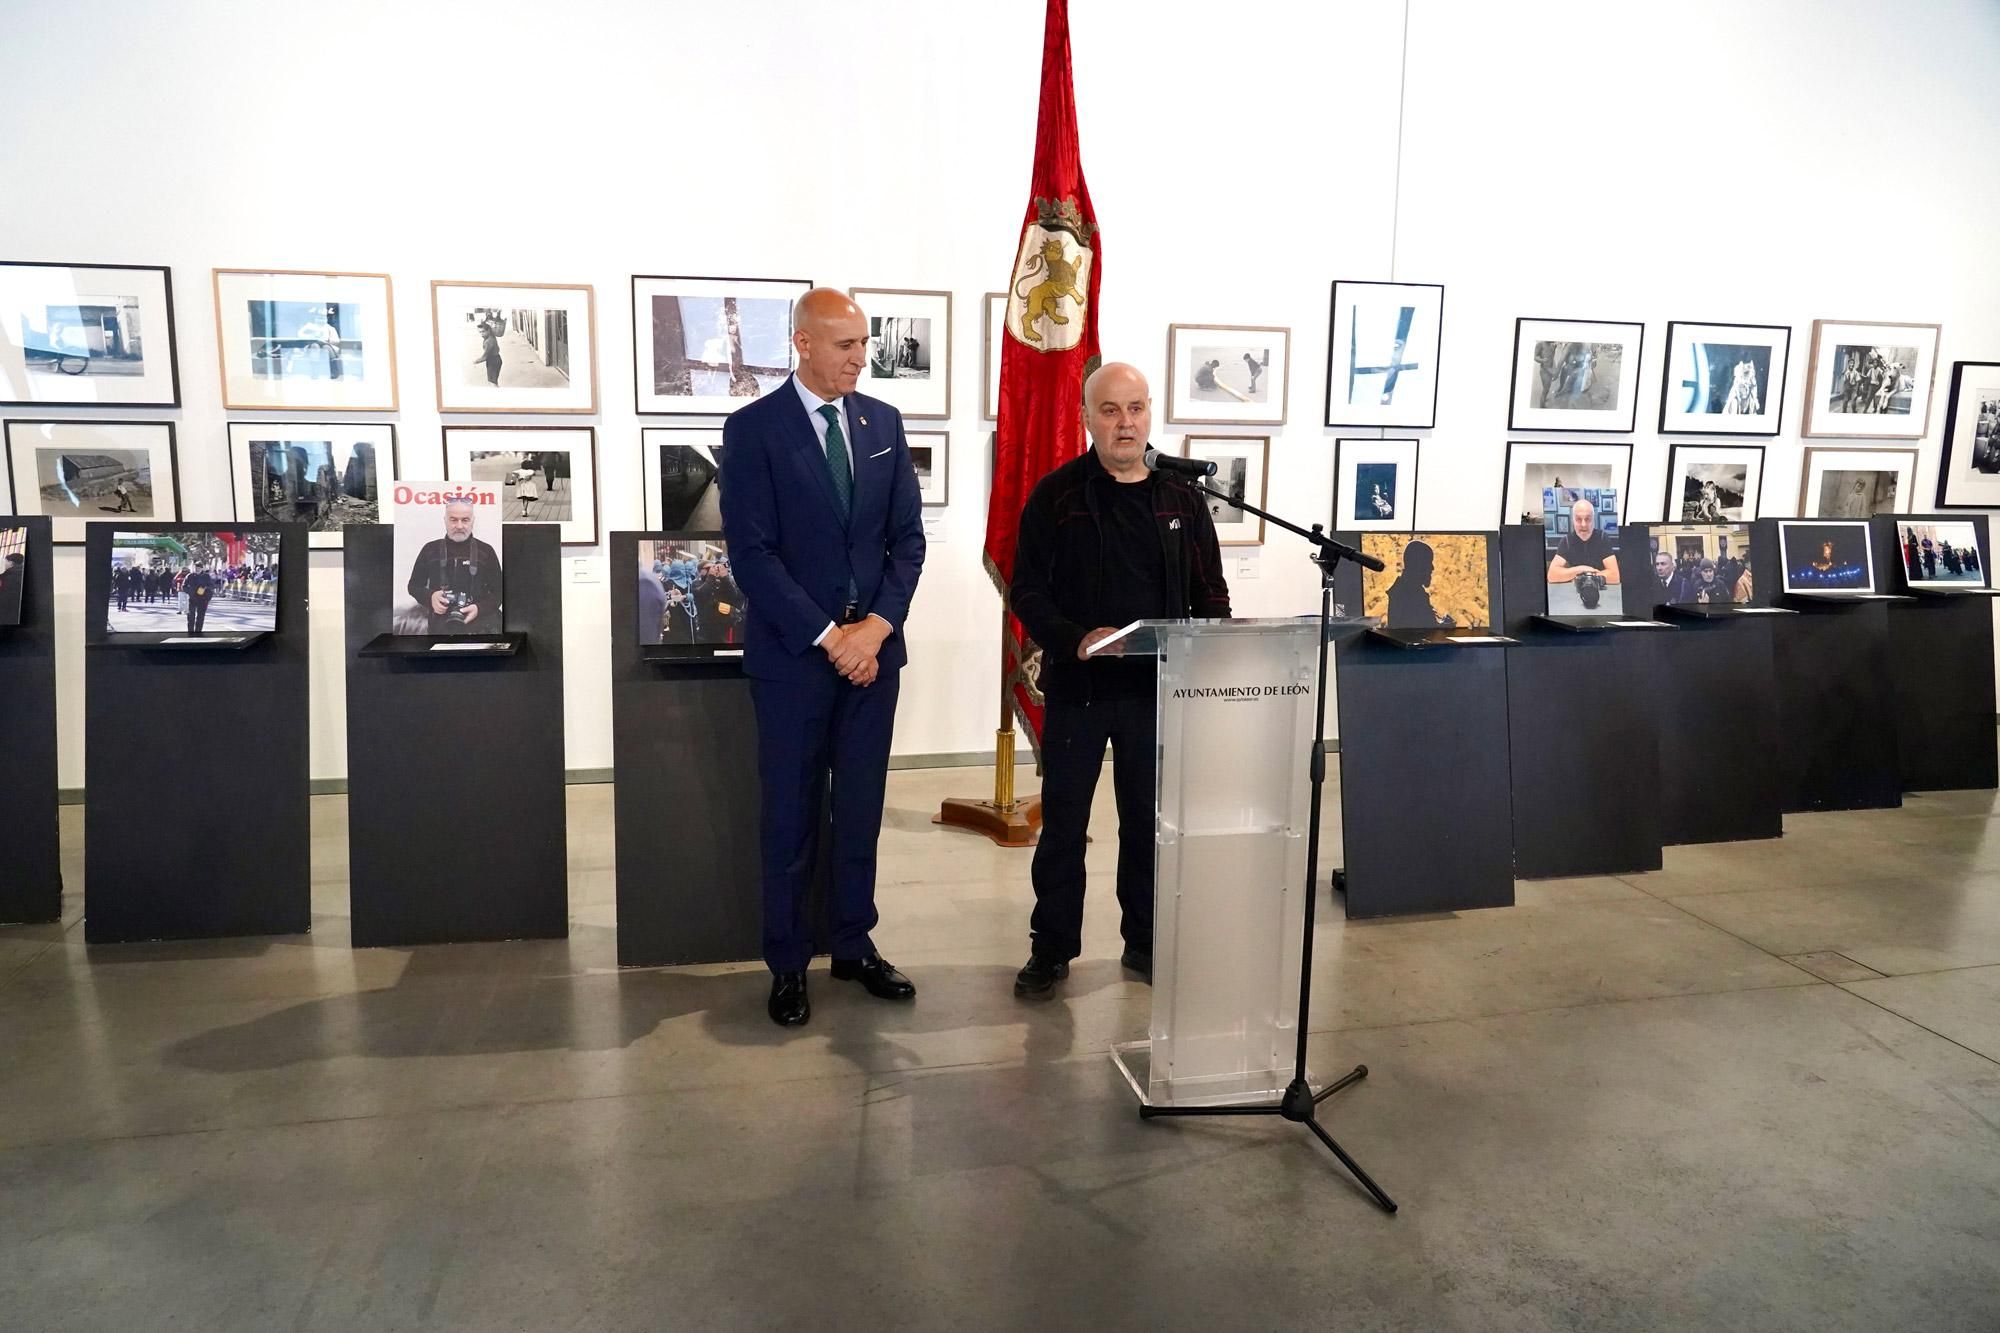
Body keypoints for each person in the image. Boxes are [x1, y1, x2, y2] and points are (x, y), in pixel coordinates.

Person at [718, 288, 926, 1029]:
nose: (859, 358)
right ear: (803, 344)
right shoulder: (753, 431)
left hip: (873, 658)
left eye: (864, 344)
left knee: (861, 809)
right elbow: (753, 555)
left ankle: (853, 943)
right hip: (794, 662)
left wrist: (873, 628)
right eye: (844, 345)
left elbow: (907, 542)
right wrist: (829, 636)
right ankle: (786, 962)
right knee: (792, 814)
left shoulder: (882, 423)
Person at [1008, 362, 1232, 1000]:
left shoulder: (1181, 499)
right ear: (1087, 418)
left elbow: (1210, 592)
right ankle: (1051, 947)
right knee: (1064, 826)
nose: (1125, 422)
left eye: (1135, 408)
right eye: (1110, 410)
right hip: (1079, 690)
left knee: (1145, 822)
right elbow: (1027, 587)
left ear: (1150, 414)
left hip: (1155, 691)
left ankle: (1145, 939)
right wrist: (1072, 637)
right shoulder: (1058, 496)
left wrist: (1214, 657)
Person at [406, 498, 503, 634]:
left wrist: (479, 608)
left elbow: (500, 592)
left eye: (465, 520)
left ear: (473, 521)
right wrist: (431, 597)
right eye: (453, 519)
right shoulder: (430, 549)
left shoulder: (486, 551)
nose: (459, 526)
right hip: (441, 626)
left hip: (481, 626)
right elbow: (413, 586)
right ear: (445, 520)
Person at [1546, 499, 1620, 609]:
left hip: (1603, 595)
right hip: (1573, 597)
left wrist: (1582, 577)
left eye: (1588, 519)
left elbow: (1615, 576)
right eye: (1578, 519)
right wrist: (1582, 569)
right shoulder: (1566, 541)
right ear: (1573, 521)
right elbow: (1552, 575)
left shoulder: (1602, 538)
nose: (1583, 524)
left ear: (1593, 520)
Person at [1385, 538, 1453, 628]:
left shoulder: (1407, 591)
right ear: (1418, 565)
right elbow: (1419, 632)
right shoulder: (1408, 594)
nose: (1432, 568)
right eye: (1428, 562)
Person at [182, 562, 217, 633]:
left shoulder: (206, 576)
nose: (197, 569)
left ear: (202, 568)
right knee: (191, 616)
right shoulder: (190, 576)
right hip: (192, 598)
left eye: (199, 568)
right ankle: (190, 631)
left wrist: (205, 588)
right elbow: (184, 586)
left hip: (203, 599)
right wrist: (190, 592)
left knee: (200, 617)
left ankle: (198, 631)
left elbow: (212, 586)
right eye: (196, 568)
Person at [475, 318, 503, 386]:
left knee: (492, 383)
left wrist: (476, 361)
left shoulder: (489, 341)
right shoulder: (491, 336)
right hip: (495, 359)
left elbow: (485, 356)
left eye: (483, 331)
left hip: (493, 361)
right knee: (493, 381)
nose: (481, 334)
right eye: (480, 332)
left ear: (488, 331)